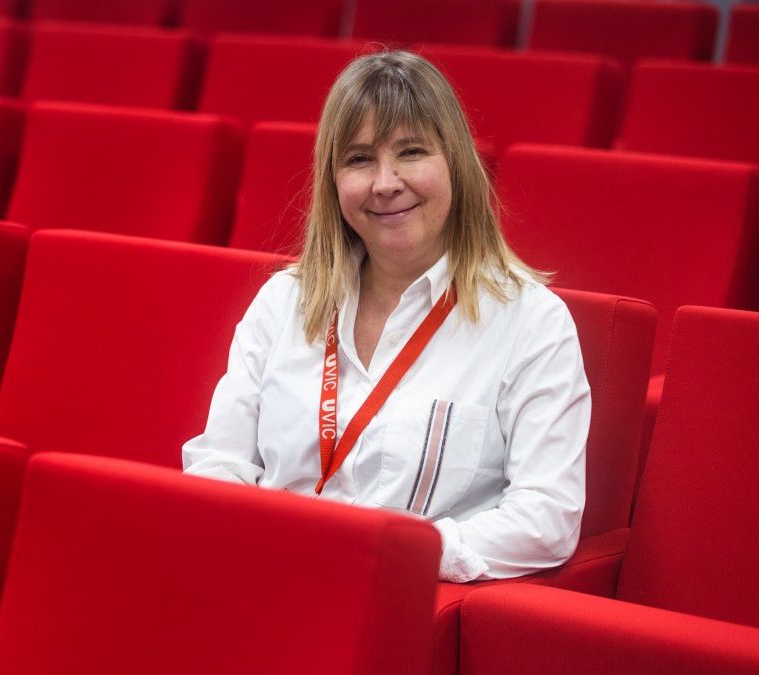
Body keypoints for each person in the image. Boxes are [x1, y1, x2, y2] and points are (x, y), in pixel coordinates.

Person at [182, 51, 591, 583]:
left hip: (404, 594)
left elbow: (546, 517)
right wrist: (255, 545)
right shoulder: (284, 301)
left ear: (456, 163)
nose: (385, 182)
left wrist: (383, 554)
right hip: (264, 575)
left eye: (411, 152)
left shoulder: (531, 322)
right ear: (332, 181)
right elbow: (219, 464)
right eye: (359, 159)